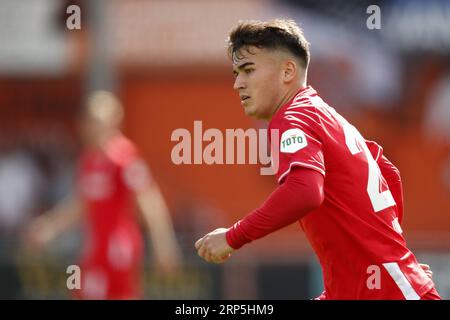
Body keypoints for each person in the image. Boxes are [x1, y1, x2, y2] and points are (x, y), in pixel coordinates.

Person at [195, 19, 440, 300]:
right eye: (236, 73)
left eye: (248, 70)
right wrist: (395, 255)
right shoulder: (325, 114)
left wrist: (232, 237)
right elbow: (388, 171)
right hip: (374, 287)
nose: (238, 83)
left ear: (287, 71)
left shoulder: (291, 118)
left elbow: (305, 191)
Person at [26, 91, 182, 299]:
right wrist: (50, 227)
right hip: (95, 249)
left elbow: (148, 199)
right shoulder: (89, 160)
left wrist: (164, 244)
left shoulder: (124, 157)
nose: (93, 127)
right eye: (90, 120)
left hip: (118, 249)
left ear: (114, 122)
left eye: (98, 121)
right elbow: (82, 203)